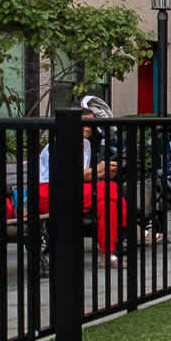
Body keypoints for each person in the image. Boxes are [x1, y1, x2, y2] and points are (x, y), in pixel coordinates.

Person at [35, 96, 145, 267]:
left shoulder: (85, 144)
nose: (88, 127)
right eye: (84, 123)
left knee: (107, 200)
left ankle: (107, 254)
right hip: (48, 193)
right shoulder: (59, 143)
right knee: (108, 189)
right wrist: (97, 170)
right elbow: (66, 176)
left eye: (91, 123)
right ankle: (133, 230)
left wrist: (104, 172)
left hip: (71, 191)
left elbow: (81, 177)